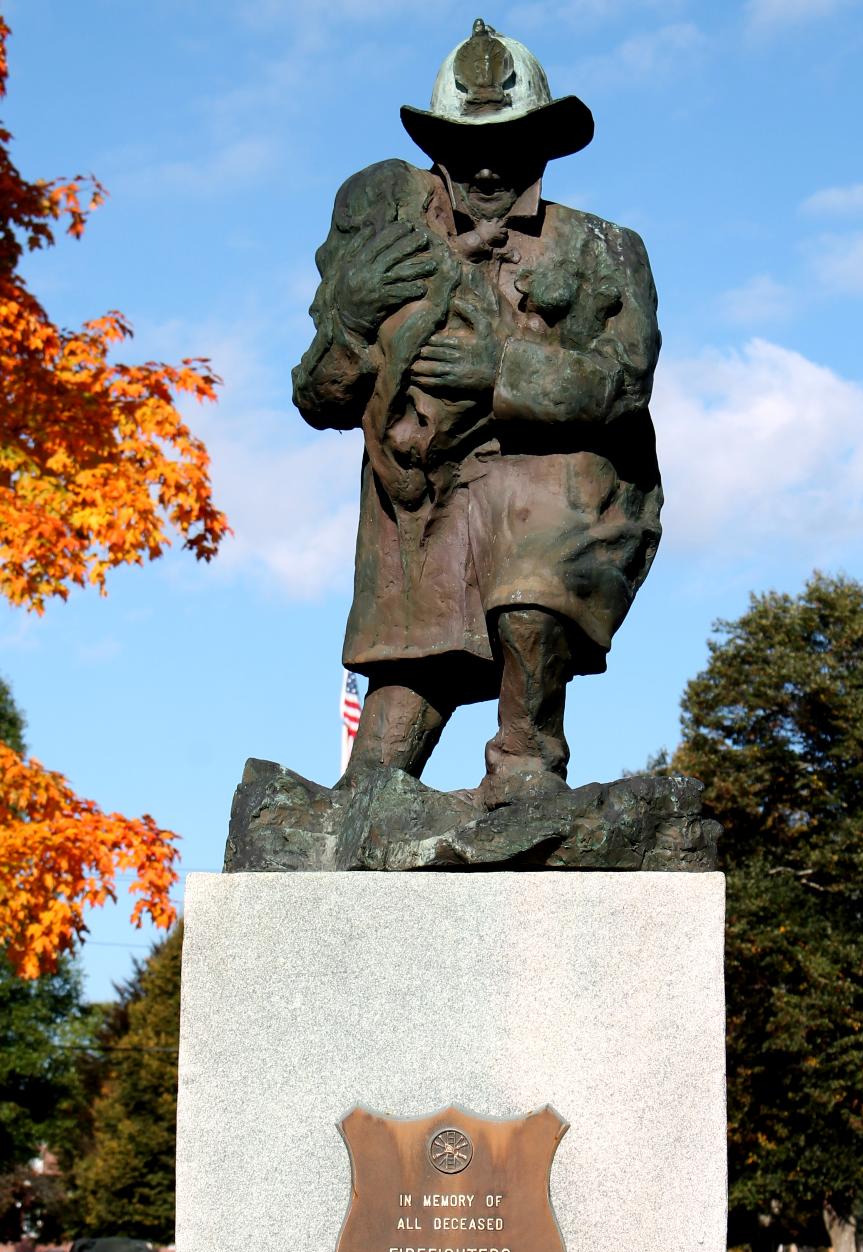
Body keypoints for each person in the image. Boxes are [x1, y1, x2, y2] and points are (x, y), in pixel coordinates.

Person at [293, 19, 663, 807]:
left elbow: (623, 382)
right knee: (378, 766)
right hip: (430, 511)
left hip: (565, 496)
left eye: (511, 138)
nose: (488, 165)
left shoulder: (602, 246)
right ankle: (370, 798)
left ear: (545, 140)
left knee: (522, 540)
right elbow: (317, 399)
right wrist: (352, 321)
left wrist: (503, 370)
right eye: (468, 143)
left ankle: (526, 761)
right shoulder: (393, 238)